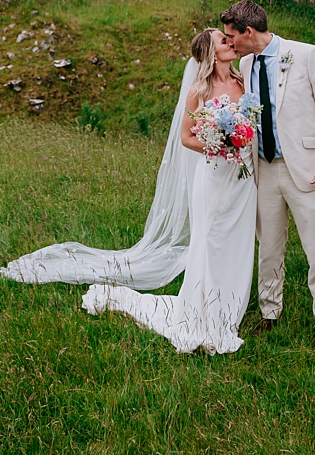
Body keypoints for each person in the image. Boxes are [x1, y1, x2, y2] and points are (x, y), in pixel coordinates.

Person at [78, 28, 258, 354]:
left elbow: (251, 124)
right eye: (223, 41)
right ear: (211, 53)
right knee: (209, 242)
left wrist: (241, 139)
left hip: (242, 181)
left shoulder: (244, 82)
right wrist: (216, 144)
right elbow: (186, 137)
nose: (231, 43)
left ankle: (231, 309)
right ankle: (205, 312)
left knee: (238, 242)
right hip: (214, 176)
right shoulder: (198, 91)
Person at [220, 0, 315, 350]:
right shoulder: (245, 64)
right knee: (269, 248)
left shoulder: (305, 55)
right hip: (264, 169)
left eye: (232, 37)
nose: (229, 43)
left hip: (306, 170)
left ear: (249, 32)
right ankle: (269, 313)